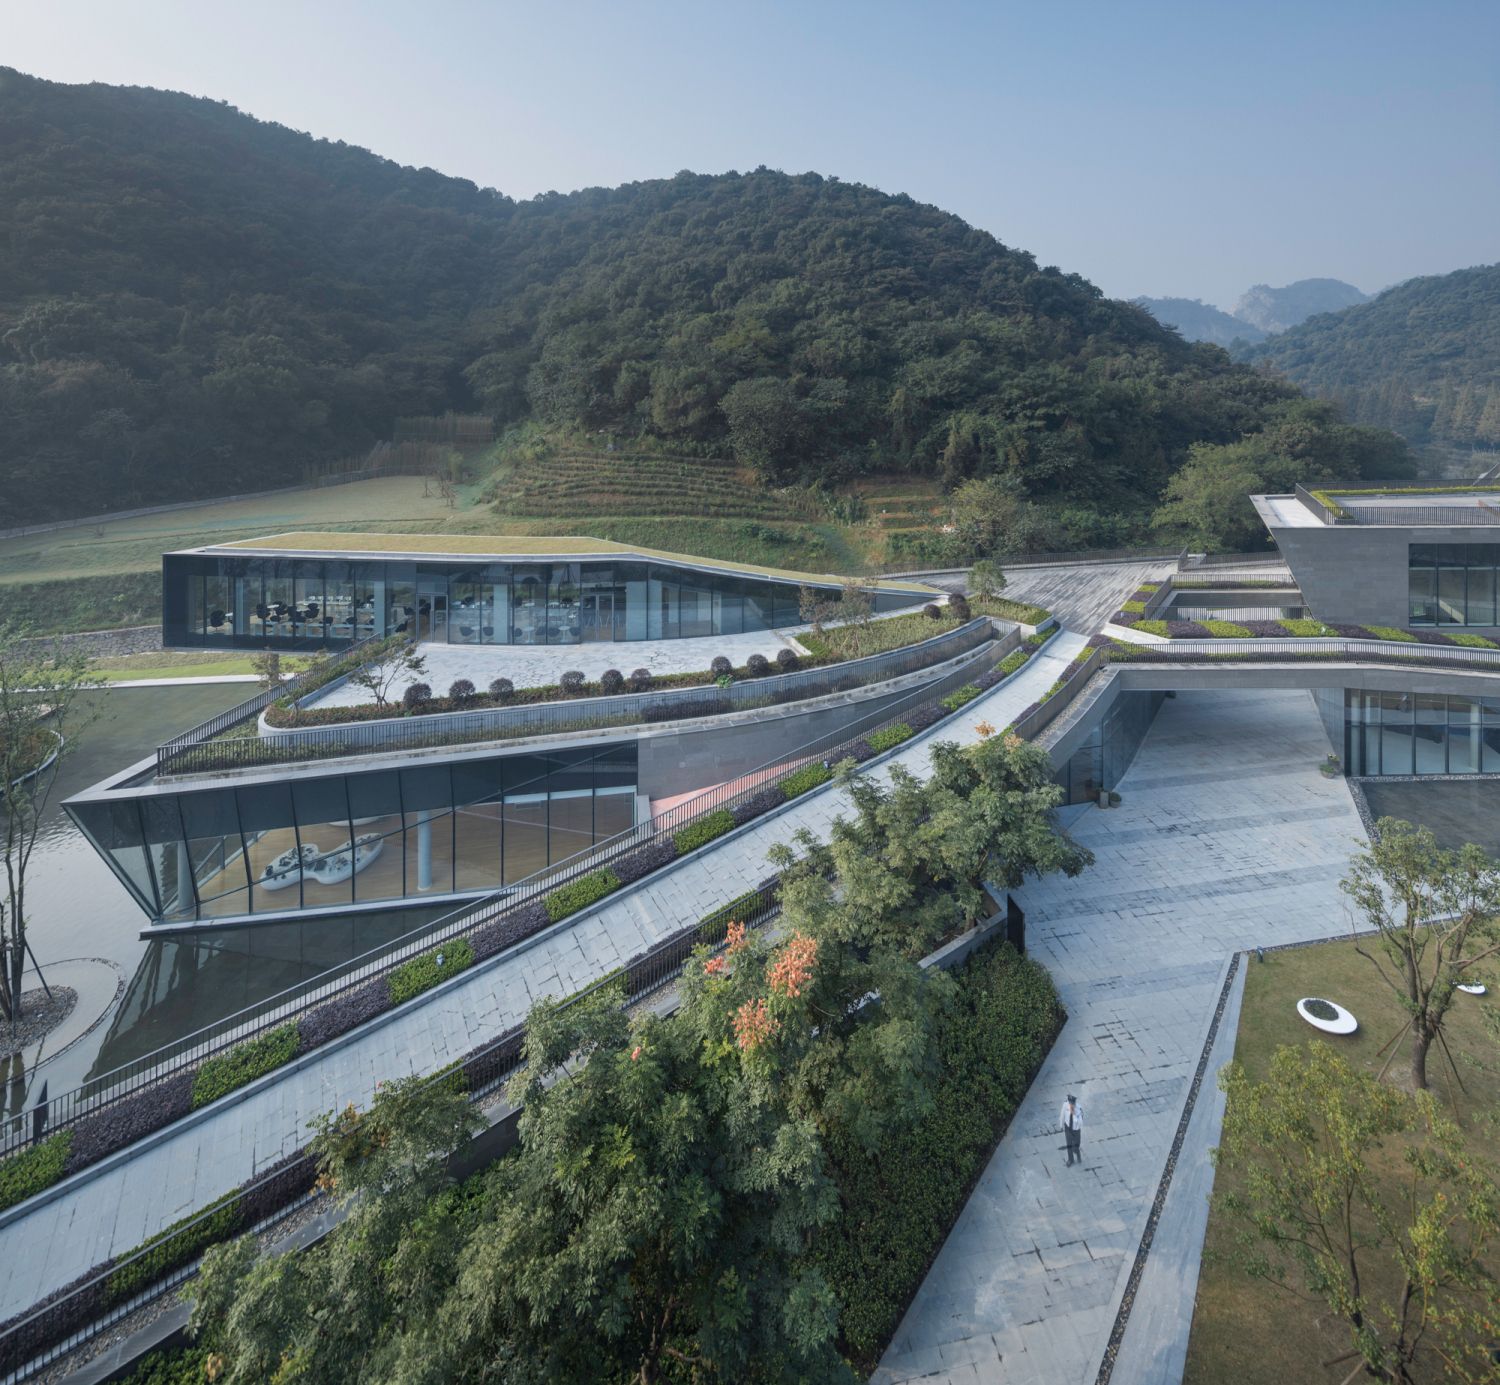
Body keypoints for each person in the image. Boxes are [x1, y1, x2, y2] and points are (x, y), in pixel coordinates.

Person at [1059, 1093, 1083, 1167]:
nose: (1070, 1105)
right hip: (1068, 1128)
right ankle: (1070, 1159)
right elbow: (1062, 1115)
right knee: (1069, 1144)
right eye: (1070, 1103)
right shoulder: (1065, 1105)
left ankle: (1077, 1153)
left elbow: (1080, 1123)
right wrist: (1061, 1125)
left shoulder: (1079, 1109)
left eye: (1072, 1103)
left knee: (1076, 1145)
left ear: (1074, 1103)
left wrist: (1074, 1114)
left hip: (1076, 1130)